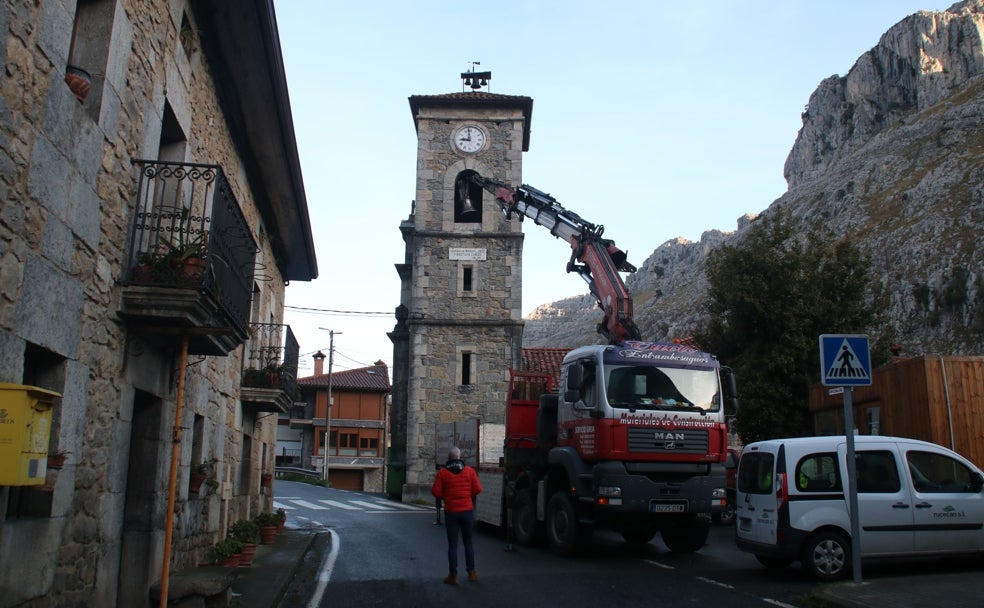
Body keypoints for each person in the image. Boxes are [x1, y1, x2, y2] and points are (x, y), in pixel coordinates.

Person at [431, 446, 482, 585]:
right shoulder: (469, 471)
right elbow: (478, 489)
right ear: (460, 457)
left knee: (453, 545)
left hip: (451, 512)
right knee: (468, 543)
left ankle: (453, 575)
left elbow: (436, 492)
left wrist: (447, 497)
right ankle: (471, 573)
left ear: (449, 459)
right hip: (466, 511)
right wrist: (467, 496)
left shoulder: (443, 473)